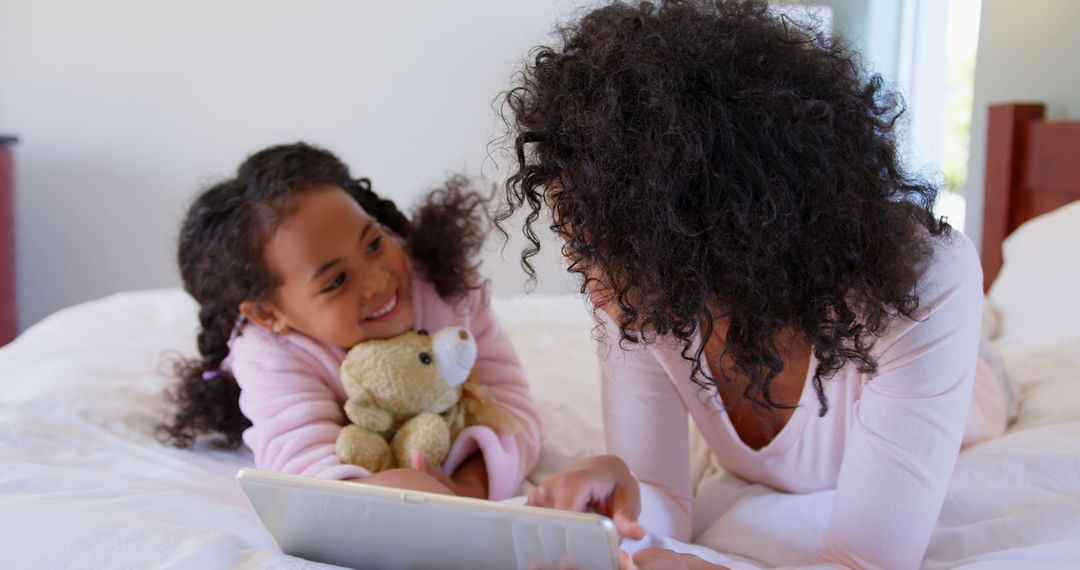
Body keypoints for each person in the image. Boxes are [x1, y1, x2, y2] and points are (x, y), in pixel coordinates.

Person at [498, 1, 1011, 568]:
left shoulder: (923, 284)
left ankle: (987, 325)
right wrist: (620, 496)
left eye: (598, 245)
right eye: (572, 240)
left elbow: (864, 563)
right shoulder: (637, 297)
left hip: (975, 393)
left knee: (981, 350)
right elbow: (661, 499)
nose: (580, 271)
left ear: (699, 218)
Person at [159, 142, 540, 500]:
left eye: (374, 243)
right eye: (336, 281)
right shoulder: (269, 354)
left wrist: (468, 486)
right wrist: (392, 492)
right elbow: (299, 471)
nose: (378, 282)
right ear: (268, 315)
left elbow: (511, 410)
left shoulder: (443, 282)